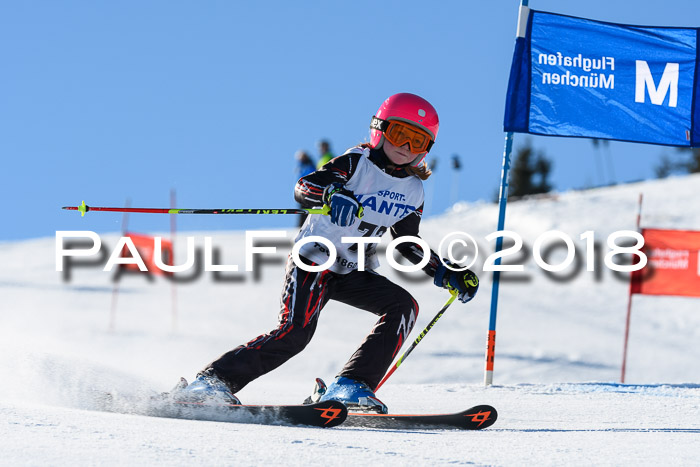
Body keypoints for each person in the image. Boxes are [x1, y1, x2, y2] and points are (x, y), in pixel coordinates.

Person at [174, 93, 479, 413]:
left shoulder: (413, 191)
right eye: (399, 134)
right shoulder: (355, 163)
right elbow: (305, 187)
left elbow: (407, 243)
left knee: (403, 305)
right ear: (379, 129)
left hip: (351, 270)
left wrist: (444, 270)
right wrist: (333, 192)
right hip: (315, 259)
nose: (406, 146)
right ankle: (212, 383)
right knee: (295, 334)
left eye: (418, 141)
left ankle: (352, 385)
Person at [294, 150, 316, 226]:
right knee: (303, 209)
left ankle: (307, 225)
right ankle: (301, 226)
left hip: (308, 191)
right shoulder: (301, 166)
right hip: (302, 191)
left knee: (307, 209)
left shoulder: (310, 165)